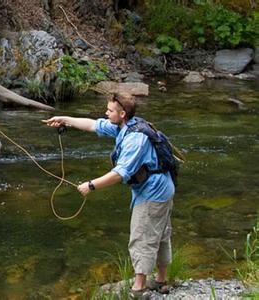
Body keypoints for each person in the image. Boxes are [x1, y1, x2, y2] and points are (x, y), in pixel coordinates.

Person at [42, 93, 174, 299]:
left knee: (142, 236)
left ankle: (139, 289)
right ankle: (161, 281)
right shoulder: (125, 125)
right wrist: (64, 119)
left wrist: (91, 185)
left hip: (153, 192)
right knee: (160, 234)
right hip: (162, 188)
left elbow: (120, 174)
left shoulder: (134, 139)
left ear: (122, 114)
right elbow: (93, 125)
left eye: (110, 110)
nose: (106, 113)